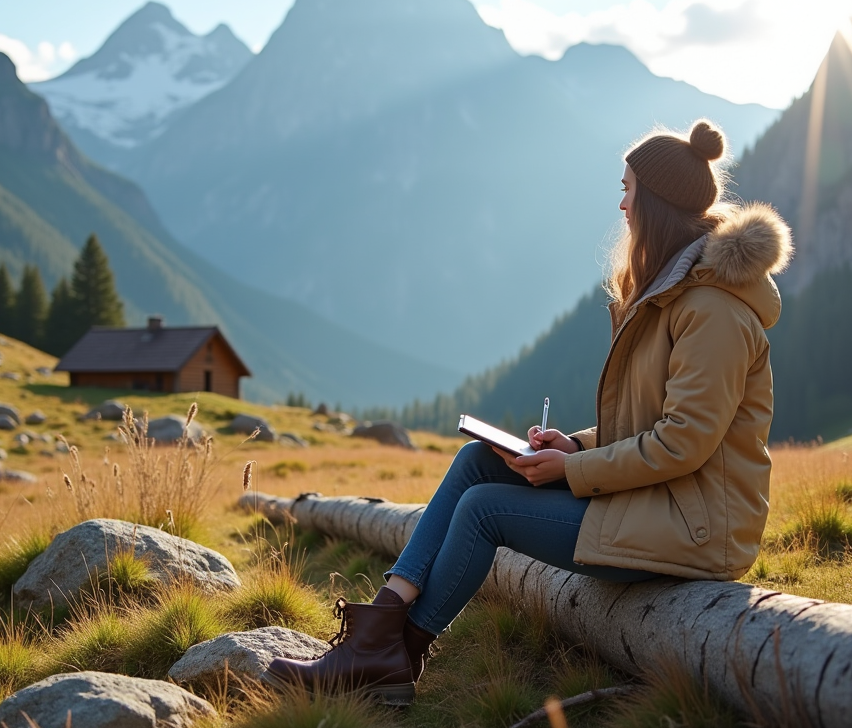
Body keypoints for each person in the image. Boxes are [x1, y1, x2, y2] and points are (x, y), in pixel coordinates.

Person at [262, 120, 793, 706]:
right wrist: (575, 446)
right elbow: (650, 423)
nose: (621, 203)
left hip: (696, 528)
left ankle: (394, 655)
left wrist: (573, 472)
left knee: (486, 510)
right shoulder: (674, 292)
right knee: (475, 464)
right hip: (657, 503)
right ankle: (379, 628)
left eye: (628, 188)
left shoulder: (711, 309)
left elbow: (684, 442)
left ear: (656, 203)